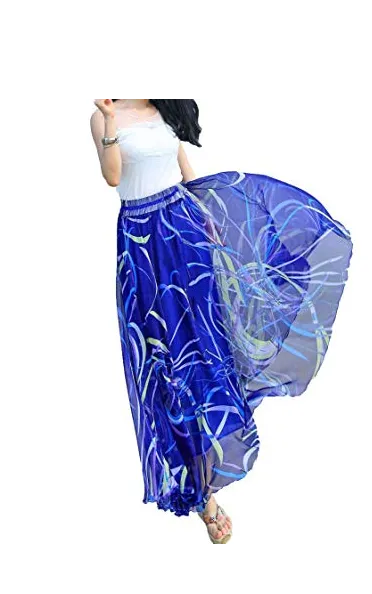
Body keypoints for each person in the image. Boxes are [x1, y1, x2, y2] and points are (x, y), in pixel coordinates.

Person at [90, 96, 353, 544]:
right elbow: (113, 177)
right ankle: (200, 493)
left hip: (184, 229)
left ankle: (212, 460)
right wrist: (112, 120)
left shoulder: (162, 105)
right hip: (142, 244)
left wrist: (207, 218)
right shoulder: (102, 116)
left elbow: (184, 170)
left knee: (208, 345)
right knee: (165, 360)